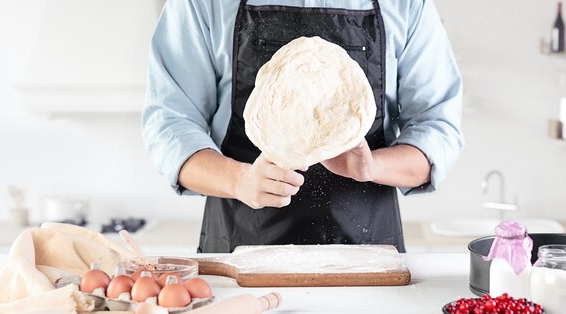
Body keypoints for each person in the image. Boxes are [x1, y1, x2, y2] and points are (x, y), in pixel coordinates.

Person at [142, 0, 464, 253]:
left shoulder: (405, 4)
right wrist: (241, 181)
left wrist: (372, 166)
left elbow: (438, 130)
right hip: (240, 259)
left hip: (369, 262)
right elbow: (169, 127)